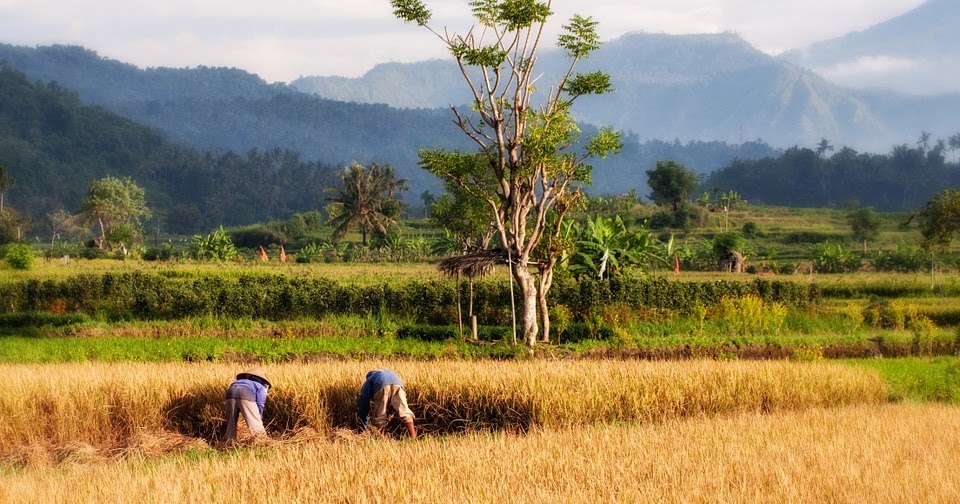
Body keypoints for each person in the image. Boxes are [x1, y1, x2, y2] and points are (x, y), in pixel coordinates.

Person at [357, 369, 417, 438]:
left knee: (380, 415)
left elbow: (363, 402)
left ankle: (381, 438)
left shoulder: (369, 379)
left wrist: (363, 422)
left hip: (381, 385)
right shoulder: (388, 373)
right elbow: (396, 402)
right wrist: (392, 412)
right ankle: (413, 436)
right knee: (404, 411)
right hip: (398, 384)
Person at [224, 367, 271, 441]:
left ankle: (229, 441)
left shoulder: (239, 381)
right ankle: (261, 442)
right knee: (255, 423)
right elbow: (260, 403)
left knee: (230, 422)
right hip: (246, 393)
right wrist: (259, 416)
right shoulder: (261, 386)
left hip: (230, 392)